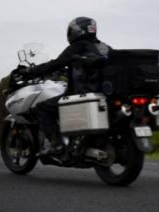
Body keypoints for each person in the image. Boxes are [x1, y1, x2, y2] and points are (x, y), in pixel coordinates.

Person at [15, 16, 112, 154]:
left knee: (42, 108)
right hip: (103, 94)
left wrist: (31, 71)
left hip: (81, 93)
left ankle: (56, 144)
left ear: (76, 31)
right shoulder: (105, 47)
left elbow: (55, 64)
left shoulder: (78, 46)